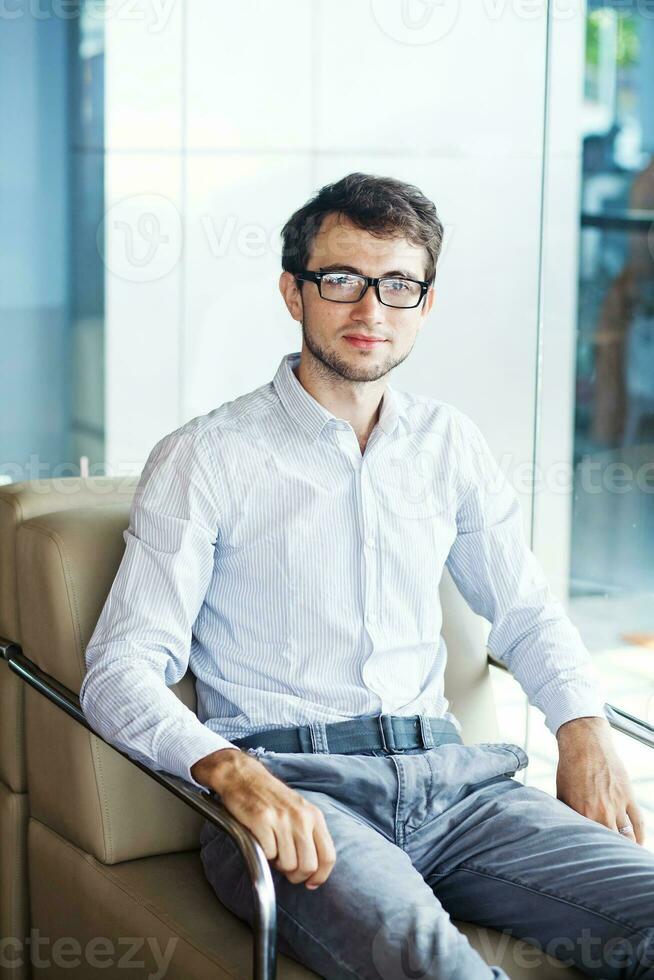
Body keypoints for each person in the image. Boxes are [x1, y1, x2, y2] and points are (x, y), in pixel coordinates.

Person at [80, 173, 654, 980]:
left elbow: (523, 609)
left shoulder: (449, 443)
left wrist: (581, 725)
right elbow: (119, 669)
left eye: (398, 285)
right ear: (293, 291)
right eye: (342, 280)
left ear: (425, 302)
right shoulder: (207, 456)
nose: (370, 311)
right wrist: (229, 771)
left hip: (458, 789)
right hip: (301, 793)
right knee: (439, 968)